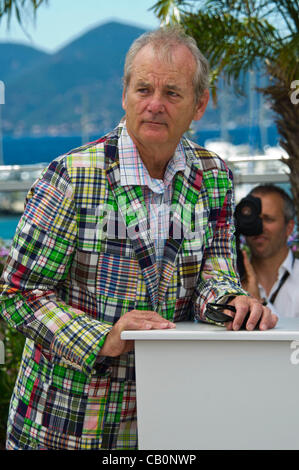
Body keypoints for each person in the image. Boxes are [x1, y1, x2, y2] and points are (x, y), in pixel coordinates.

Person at [0, 26, 277, 450]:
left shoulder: (215, 176)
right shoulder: (72, 176)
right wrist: (102, 337)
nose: (155, 105)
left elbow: (215, 272)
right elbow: (18, 293)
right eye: (144, 89)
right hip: (66, 424)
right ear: (124, 94)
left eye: (172, 93)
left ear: (199, 104)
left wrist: (230, 304)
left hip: (171, 417)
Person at [241, 184, 299, 318]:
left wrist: (257, 303)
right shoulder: (231, 282)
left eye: (268, 219)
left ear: (289, 227)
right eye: (253, 219)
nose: (259, 227)